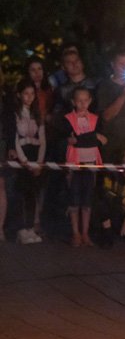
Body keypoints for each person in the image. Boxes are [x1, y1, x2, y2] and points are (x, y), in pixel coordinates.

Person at [63, 87, 106, 247]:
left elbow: (102, 140)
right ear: (73, 102)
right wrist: (93, 137)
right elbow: (70, 140)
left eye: (85, 100)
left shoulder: (96, 118)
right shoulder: (67, 119)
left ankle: (86, 233)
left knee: (87, 200)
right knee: (74, 199)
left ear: (90, 101)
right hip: (75, 163)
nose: (82, 104)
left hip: (91, 162)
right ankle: (76, 233)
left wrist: (82, 139)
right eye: (78, 100)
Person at [7, 80, 46, 243]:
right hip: (22, 156)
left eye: (32, 94)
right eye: (26, 94)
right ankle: (20, 228)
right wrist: (23, 160)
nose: (29, 97)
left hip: (35, 154)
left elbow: (43, 139)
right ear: (19, 95)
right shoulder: (16, 114)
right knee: (20, 193)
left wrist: (39, 161)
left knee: (32, 193)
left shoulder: (37, 114)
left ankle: (30, 227)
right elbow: (15, 138)